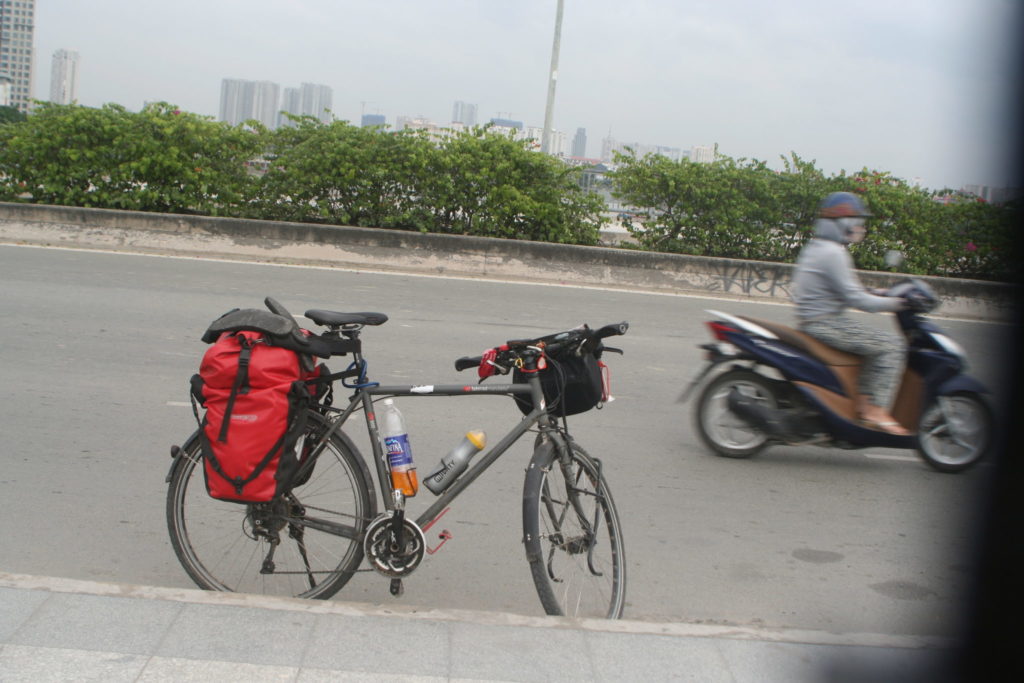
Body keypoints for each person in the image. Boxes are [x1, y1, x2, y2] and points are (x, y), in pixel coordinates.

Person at [791, 191, 909, 435]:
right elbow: (857, 300)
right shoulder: (834, 253)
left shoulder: (817, 247)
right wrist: (898, 304)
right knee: (891, 345)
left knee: (877, 345)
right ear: (842, 222)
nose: (859, 227)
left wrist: (879, 293)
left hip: (814, 320)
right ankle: (874, 410)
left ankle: (863, 407)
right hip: (827, 323)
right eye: (856, 221)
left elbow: (845, 289)